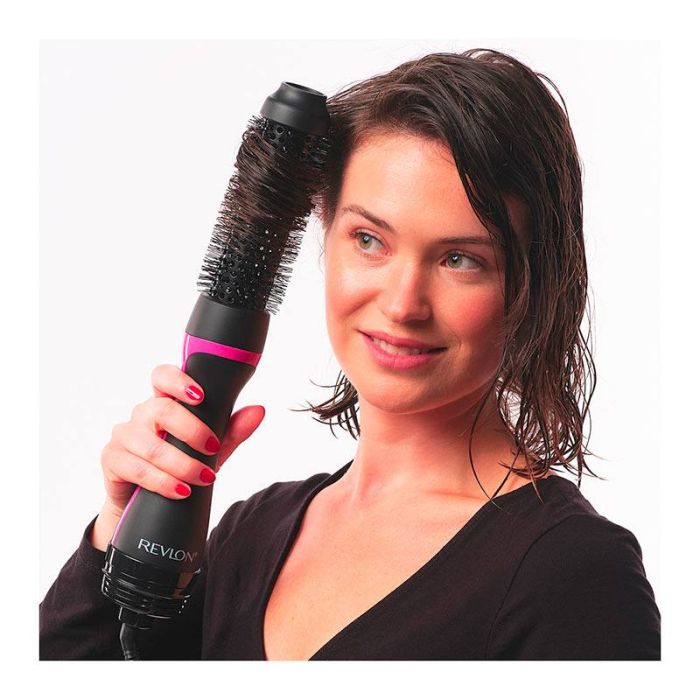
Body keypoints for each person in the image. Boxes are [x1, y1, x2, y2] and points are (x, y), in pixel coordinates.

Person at [39, 49, 661, 660]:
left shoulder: (574, 575)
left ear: (534, 283)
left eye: (460, 259)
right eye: (369, 240)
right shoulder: (249, 535)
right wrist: (115, 531)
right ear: (324, 233)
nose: (402, 304)